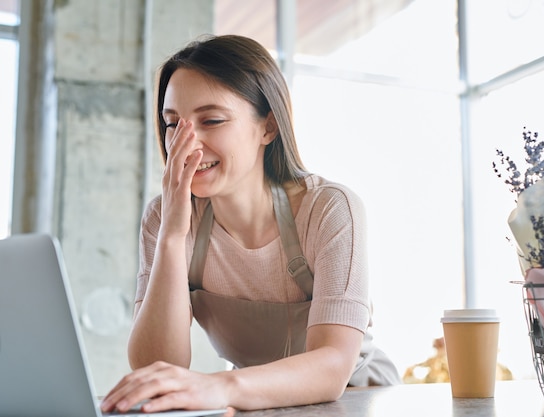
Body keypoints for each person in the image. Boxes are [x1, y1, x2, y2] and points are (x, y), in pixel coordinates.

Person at [100, 34, 400, 414]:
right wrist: (173, 236)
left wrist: (219, 387)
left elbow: (333, 366)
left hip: (357, 400)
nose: (186, 146)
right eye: (173, 124)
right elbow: (157, 369)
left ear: (268, 128)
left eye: (211, 120)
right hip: (257, 404)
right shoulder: (163, 218)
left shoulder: (329, 209)